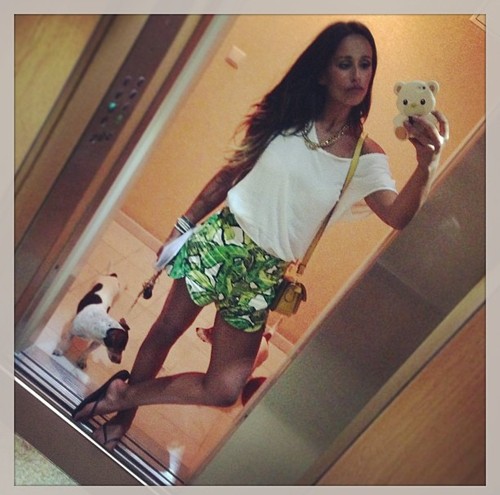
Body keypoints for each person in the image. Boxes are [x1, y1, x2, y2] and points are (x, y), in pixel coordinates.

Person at [71, 21, 449, 451]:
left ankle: (122, 396)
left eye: (365, 65)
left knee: (224, 388)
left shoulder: (366, 157)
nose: (357, 75)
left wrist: (428, 164)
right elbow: (231, 172)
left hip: (265, 273)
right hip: (224, 238)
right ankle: (123, 418)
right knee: (165, 331)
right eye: (345, 64)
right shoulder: (288, 118)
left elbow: (398, 216)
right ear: (322, 72)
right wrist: (184, 225)